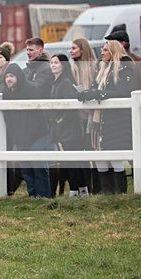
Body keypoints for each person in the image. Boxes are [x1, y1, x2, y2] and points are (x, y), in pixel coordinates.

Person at [79, 40, 134, 194]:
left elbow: (123, 92)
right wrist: (87, 93)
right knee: (99, 155)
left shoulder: (124, 67)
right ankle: (106, 191)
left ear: (113, 51)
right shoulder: (102, 68)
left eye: (105, 50)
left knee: (114, 156)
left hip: (116, 119)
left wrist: (99, 94)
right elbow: (97, 88)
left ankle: (120, 192)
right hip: (99, 119)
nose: (102, 53)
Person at [2, 64, 52, 198]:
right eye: (6, 76)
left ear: (18, 76)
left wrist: (29, 135)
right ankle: (32, 195)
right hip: (20, 136)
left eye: (11, 76)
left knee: (39, 166)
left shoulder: (31, 89)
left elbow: (37, 116)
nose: (9, 79)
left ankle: (44, 196)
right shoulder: (6, 93)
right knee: (26, 168)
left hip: (37, 134)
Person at [47, 54, 85, 197]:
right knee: (71, 161)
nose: (53, 65)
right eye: (51, 62)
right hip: (62, 129)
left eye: (56, 62)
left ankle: (77, 190)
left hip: (70, 129)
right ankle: (80, 190)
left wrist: (61, 120)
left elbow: (71, 106)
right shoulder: (56, 82)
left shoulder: (65, 82)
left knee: (73, 161)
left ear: (63, 65)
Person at [69, 37, 98, 194]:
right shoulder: (72, 68)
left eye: (74, 48)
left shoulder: (94, 67)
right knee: (81, 154)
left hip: (93, 117)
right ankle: (86, 187)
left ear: (82, 49)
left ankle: (97, 188)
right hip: (77, 118)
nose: (71, 51)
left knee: (94, 153)